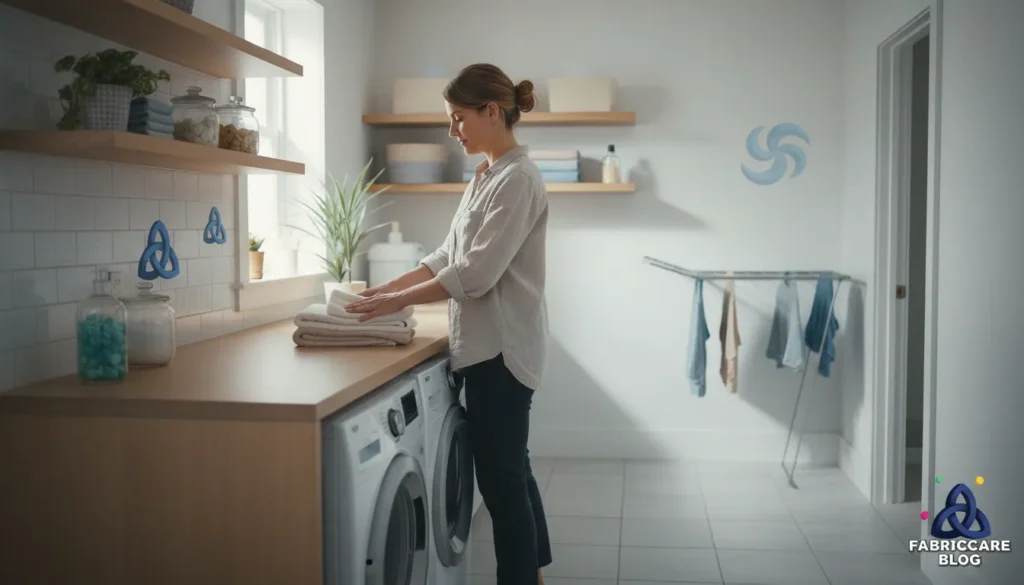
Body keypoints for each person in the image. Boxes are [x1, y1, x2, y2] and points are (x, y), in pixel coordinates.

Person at [344, 63, 552, 585]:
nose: (452, 131)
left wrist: (395, 304)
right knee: (513, 471)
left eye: (458, 118)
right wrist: (387, 290)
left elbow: (476, 273)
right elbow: (447, 256)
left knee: (503, 484)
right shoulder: (487, 173)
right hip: (488, 348)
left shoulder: (517, 179)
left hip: (501, 352)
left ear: (491, 111)